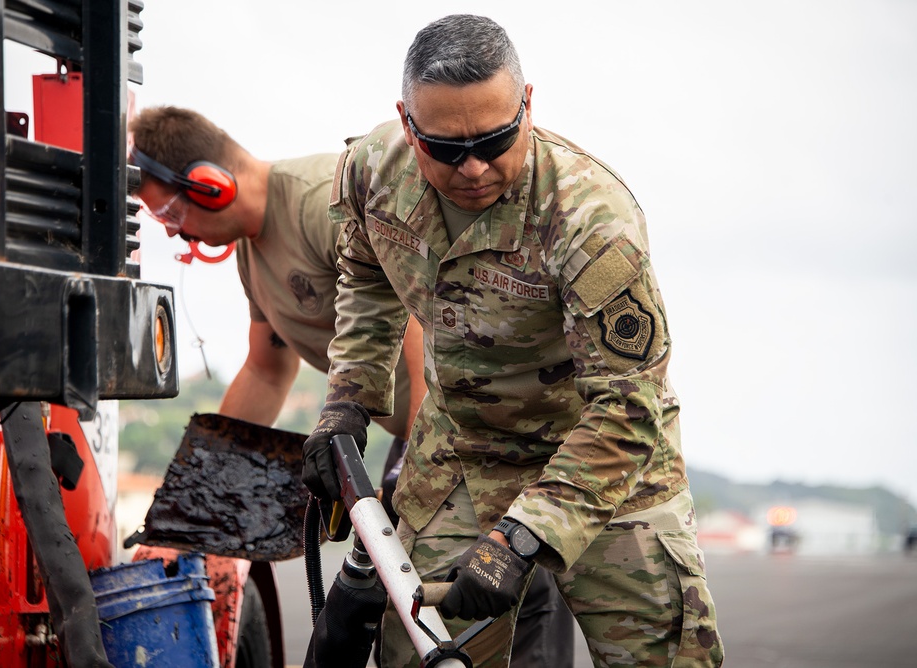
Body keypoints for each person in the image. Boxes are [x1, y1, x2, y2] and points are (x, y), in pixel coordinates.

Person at [300, 14, 725, 668]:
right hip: (463, 450)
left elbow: (629, 405)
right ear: (406, 123)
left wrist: (528, 535)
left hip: (604, 465)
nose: (472, 167)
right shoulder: (371, 173)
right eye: (444, 148)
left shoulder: (590, 220)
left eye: (496, 139)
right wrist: (350, 398)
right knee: (417, 650)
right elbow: (364, 272)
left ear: (528, 105)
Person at [128, 105, 577, 668]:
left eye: (167, 210)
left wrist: (413, 455)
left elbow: (415, 312)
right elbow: (266, 371)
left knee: (507, 602)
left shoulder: (321, 202)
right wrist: (195, 514)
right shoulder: (253, 254)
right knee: (416, 618)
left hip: (490, 428)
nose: (171, 229)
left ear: (211, 186)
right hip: (429, 438)